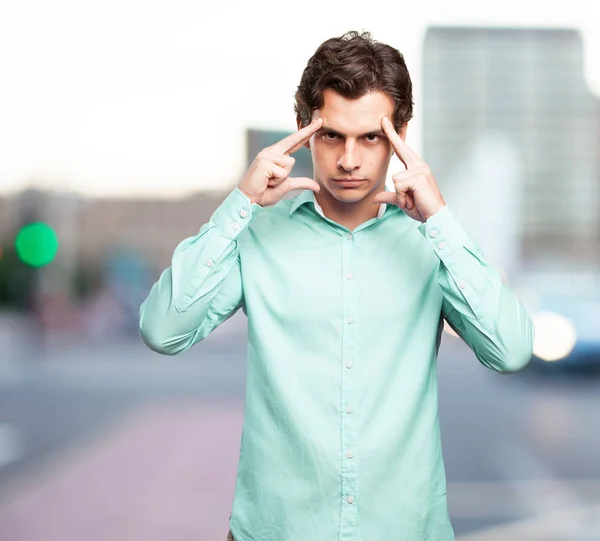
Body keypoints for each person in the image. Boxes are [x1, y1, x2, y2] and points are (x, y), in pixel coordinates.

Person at [139, 30, 534, 541]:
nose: (350, 160)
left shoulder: (434, 244)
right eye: (332, 136)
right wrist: (238, 204)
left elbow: (512, 350)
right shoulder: (258, 234)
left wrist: (440, 220)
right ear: (304, 128)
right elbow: (163, 329)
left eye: (371, 137)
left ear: (401, 135)